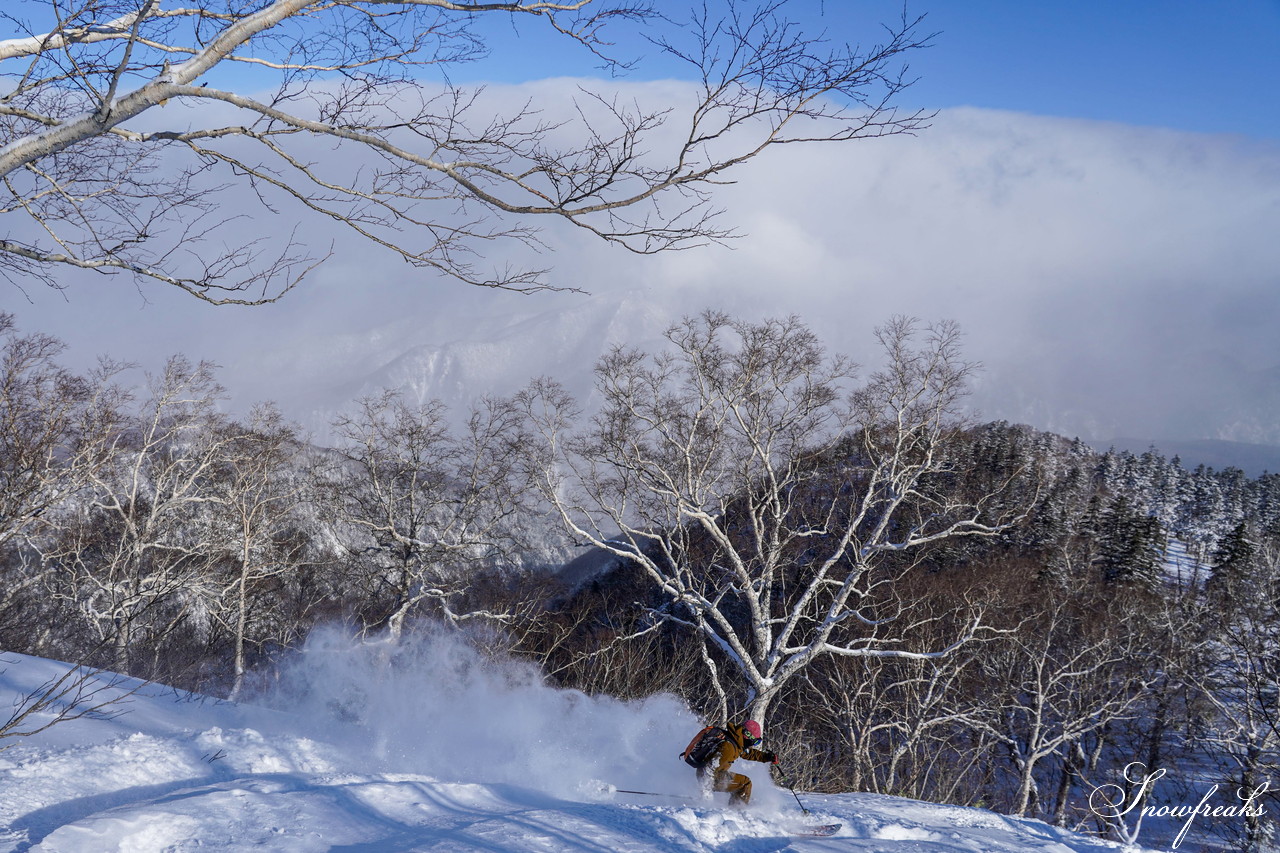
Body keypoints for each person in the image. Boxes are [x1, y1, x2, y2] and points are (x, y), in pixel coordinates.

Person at [696, 719, 778, 806]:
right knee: (745, 783)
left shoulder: (735, 740)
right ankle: (737, 809)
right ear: (748, 735)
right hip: (709, 777)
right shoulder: (729, 747)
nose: (753, 744)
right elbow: (709, 769)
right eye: (755, 742)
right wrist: (706, 797)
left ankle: (737, 804)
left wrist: (766, 757)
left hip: (713, 774)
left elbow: (747, 753)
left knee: (741, 782)